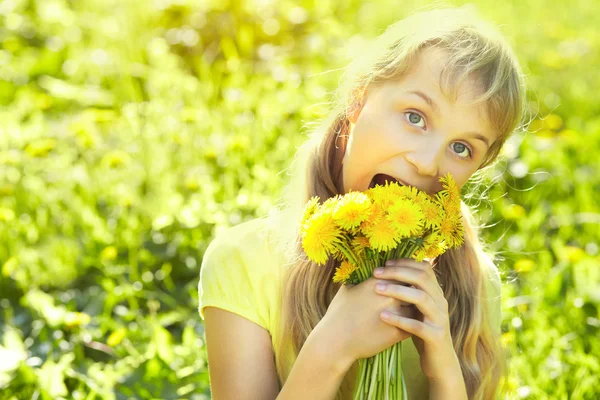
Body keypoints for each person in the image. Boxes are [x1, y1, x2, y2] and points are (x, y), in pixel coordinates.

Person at [198, 5, 527, 400]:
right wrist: (331, 349)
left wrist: (445, 376)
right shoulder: (243, 263)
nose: (426, 163)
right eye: (415, 117)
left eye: (461, 148)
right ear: (358, 100)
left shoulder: (474, 282)